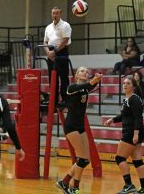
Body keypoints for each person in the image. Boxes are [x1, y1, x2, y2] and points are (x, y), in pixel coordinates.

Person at [56, 66, 102, 194]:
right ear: (76, 75)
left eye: (87, 72)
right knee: (82, 158)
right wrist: (94, 80)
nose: (85, 72)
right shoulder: (71, 88)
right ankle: (74, 187)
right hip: (71, 126)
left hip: (80, 126)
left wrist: (96, 79)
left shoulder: (85, 90)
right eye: (82, 71)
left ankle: (65, 182)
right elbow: (87, 86)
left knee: (85, 159)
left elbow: (88, 87)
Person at [104, 77, 144, 194]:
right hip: (132, 132)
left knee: (119, 158)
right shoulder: (127, 99)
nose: (125, 85)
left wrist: (135, 134)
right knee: (138, 161)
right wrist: (113, 119)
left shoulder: (134, 99)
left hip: (131, 132)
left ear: (133, 87)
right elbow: (125, 116)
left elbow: (138, 118)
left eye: (128, 83)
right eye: (124, 83)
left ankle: (128, 185)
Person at [44, 6, 72, 106]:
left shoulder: (65, 25)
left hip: (61, 52)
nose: (55, 15)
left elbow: (65, 40)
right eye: (53, 13)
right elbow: (45, 41)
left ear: (60, 14)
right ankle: (53, 100)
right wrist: (48, 52)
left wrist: (55, 52)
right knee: (52, 78)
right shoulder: (48, 27)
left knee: (63, 77)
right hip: (50, 52)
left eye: (57, 13)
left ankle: (65, 99)